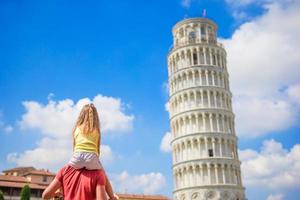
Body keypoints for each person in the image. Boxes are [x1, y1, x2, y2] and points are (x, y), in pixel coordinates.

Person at [43, 103, 117, 200]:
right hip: (92, 157)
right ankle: (112, 196)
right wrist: (96, 163)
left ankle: (61, 189)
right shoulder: (97, 130)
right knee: (103, 174)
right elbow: (97, 148)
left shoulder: (76, 129)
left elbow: (74, 146)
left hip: (77, 156)